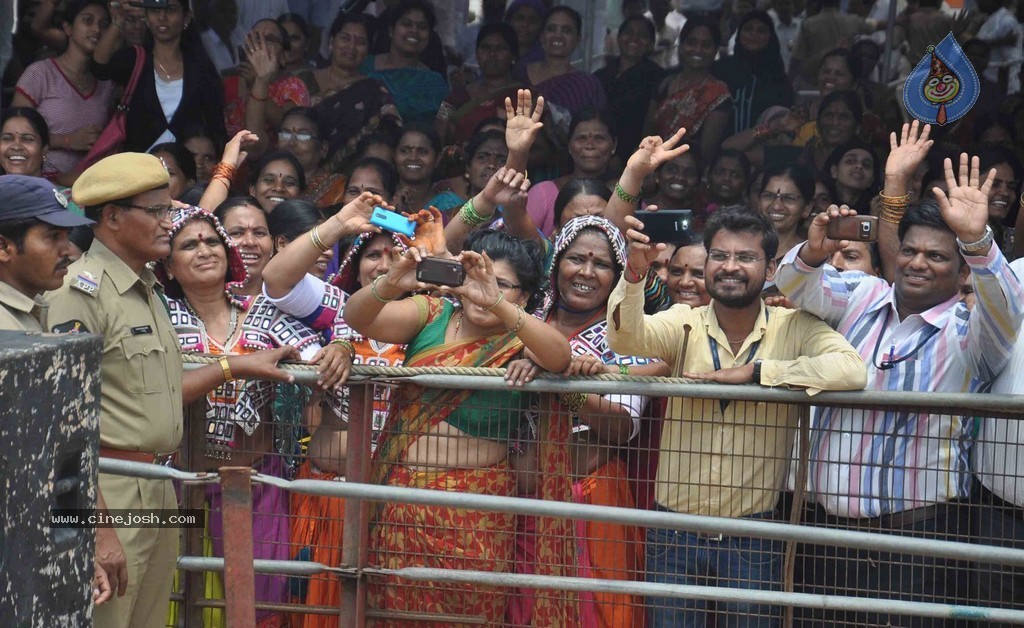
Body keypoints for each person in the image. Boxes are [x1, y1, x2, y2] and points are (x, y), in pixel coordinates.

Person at [45, 152, 299, 628]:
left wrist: (235, 365)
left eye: (170, 208)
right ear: (113, 217)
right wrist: (98, 531)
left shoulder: (145, 288)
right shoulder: (80, 294)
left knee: (146, 617)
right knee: (105, 618)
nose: (170, 221)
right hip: (107, 492)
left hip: (157, 486)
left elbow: (158, 393)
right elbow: (63, 427)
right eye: (158, 211)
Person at [775, 150, 1024, 625]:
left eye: (936, 256)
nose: (917, 264)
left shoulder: (969, 332)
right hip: (823, 538)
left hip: (916, 545)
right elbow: (796, 284)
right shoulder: (864, 295)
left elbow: (1006, 306)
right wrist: (812, 251)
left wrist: (978, 239)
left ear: (962, 270)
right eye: (909, 250)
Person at [608, 205, 867, 627]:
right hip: (672, 530)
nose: (730, 267)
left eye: (745, 257)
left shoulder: (794, 325)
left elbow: (852, 370)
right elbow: (624, 338)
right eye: (719, 256)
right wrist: (634, 276)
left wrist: (759, 373)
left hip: (754, 536)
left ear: (769, 269)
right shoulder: (684, 321)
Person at [344, 225, 572, 625]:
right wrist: (392, 283)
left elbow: (560, 357)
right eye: (477, 276)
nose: (483, 288)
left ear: (526, 296)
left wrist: (496, 302)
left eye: (504, 283)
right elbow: (358, 318)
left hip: (476, 513)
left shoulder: (521, 345)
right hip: (402, 501)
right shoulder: (431, 314)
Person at [156, 205, 342, 626]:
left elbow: (316, 357)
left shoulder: (262, 312)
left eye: (211, 241)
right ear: (168, 264)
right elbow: (155, 394)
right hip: (181, 488)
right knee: (179, 598)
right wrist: (233, 366)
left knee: (263, 601)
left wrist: (340, 349)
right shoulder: (161, 318)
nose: (203, 250)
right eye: (188, 244)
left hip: (258, 484)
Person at [506, 215, 664, 627]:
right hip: (514, 506)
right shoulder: (526, 319)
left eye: (601, 264)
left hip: (588, 504)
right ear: (557, 263)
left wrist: (567, 387)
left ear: (616, 277)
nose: (586, 272)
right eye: (576, 259)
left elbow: (620, 426)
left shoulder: (626, 336)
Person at [0, 174, 109, 603]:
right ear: (4, 247)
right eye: (51, 237)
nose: (69, 250)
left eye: (67, 236)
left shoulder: (30, 314)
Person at [94, 0, 226, 153]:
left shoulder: (200, 68)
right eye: (155, 10)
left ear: (186, 18)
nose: (162, 17)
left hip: (185, 170)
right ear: (147, 18)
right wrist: (118, 22)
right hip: (137, 169)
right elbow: (99, 68)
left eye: (170, 10)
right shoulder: (135, 59)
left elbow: (216, 128)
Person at [12, 0, 115, 175]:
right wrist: (68, 140)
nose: (97, 29)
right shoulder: (40, 73)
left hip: (90, 191)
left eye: (103, 25)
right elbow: (13, 132)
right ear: (68, 28)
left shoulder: (107, 85)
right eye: (88, 21)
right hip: (41, 186)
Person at [298, 12, 399, 173]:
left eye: (360, 42)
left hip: (351, 179)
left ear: (367, 50)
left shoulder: (374, 91)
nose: (351, 47)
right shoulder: (302, 81)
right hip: (298, 171)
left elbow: (390, 134)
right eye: (345, 38)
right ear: (331, 42)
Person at [647, 17, 732, 164]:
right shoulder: (665, 84)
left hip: (689, 173)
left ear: (715, 50)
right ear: (681, 46)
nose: (698, 50)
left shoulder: (718, 93)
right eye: (692, 43)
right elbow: (647, 136)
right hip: (653, 166)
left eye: (706, 45)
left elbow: (706, 153)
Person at [224, 18, 311, 155]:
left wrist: (257, 83)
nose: (261, 46)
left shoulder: (293, 86)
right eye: (256, 39)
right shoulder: (228, 82)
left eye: (269, 40)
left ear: (284, 56)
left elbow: (288, 126)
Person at [526, 109, 618, 238]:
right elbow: (522, 243)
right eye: (581, 138)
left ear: (614, 145)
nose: (589, 145)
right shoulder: (543, 193)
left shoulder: (625, 196)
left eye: (599, 138)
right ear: (569, 145)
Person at [522, 6, 607, 142]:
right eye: (551, 29)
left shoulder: (588, 85)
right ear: (542, 36)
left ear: (578, 39)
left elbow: (598, 130)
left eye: (566, 30)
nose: (558, 35)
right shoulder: (519, 74)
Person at [360, 1, 449, 125]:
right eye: (406, 24)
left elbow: (442, 126)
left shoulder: (436, 83)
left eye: (422, 27)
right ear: (391, 30)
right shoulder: (364, 66)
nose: (414, 30)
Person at [594, 15, 666, 162]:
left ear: (651, 44)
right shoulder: (601, 75)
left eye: (642, 35)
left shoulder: (658, 77)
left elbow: (653, 123)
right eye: (629, 33)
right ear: (619, 38)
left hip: (634, 155)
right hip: (596, 151)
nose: (634, 38)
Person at [437, 22, 523, 146]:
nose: (492, 54)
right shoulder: (456, 96)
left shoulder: (526, 97)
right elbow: (438, 135)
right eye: (485, 48)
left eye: (500, 48)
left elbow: (540, 149)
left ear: (513, 56)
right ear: (476, 53)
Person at [712, 10, 794, 135]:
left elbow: (782, 122)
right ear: (739, 34)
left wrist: (755, 135)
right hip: (719, 148)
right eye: (748, 29)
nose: (753, 34)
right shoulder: (721, 69)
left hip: (763, 146)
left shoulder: (778, 77)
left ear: (770, 36)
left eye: (761, 30)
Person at [757, 163, 815, 263]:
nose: (776, 206)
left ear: (807, 208)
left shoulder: (812, 256)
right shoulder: (738, 246)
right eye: (769, 196)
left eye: (788, 199)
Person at [0, 107, 50, 178]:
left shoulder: (54, 189)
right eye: (7, 138)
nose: (16, 147)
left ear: (44, 150)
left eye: (27, 139)